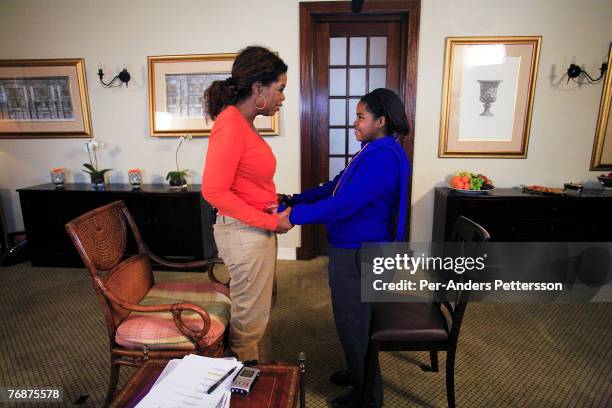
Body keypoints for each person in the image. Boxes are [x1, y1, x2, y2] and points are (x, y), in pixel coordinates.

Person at [285, 88, 411, 408]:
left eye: (360, 117)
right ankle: (360, 374)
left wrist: (294, 216)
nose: (354, 123)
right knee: (355, 321)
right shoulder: (374, 150)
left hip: (361, 252)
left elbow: (345, 204)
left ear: (381, 120)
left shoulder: (382, 156)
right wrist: (296, 199)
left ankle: (367, 396)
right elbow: (335, 186)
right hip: (359, 248)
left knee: (353, 324)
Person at [201, 46, 292, 362]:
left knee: (259, 309)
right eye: (279, 89)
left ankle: (263, 370)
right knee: (249, 321)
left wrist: (272, 201)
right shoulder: (230, 124)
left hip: (253, 229)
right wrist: (270, 221)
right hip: (244, 234)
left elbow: (244, 181)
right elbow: (214, 191)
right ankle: (247, 383)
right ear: (258, 89)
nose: (282, 97)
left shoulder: (242, 122)